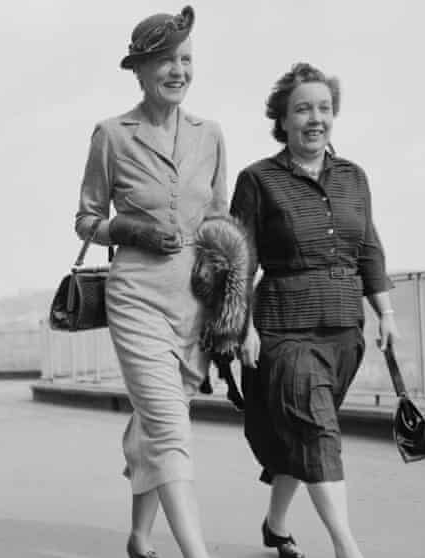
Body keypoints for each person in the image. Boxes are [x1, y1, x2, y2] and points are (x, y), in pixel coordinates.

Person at [230, 62, 399, 558]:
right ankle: (348, 548)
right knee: (316, 430)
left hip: (345, 329)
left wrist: (385, 311)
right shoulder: (257, 180)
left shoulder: (354, 177)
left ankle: (275, 525)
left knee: (305, 436)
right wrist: (240, 325)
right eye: (303, 108)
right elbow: (241, 258)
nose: (315, 117)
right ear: (281, 119)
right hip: (284, 330)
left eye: (324, 108)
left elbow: (368, 246)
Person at [75, 6, 226, 558]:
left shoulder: (210, 135)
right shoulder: (112, 135)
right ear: (139, 70)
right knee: (170, 427)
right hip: (136, 293)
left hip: (192, 300)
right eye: (165, 60)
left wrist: (231, 307)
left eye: (186, 59)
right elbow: (87, 219)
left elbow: (221, 222)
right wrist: (130, 228)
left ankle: (140, 537)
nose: (178, 70)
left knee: (156, 422)